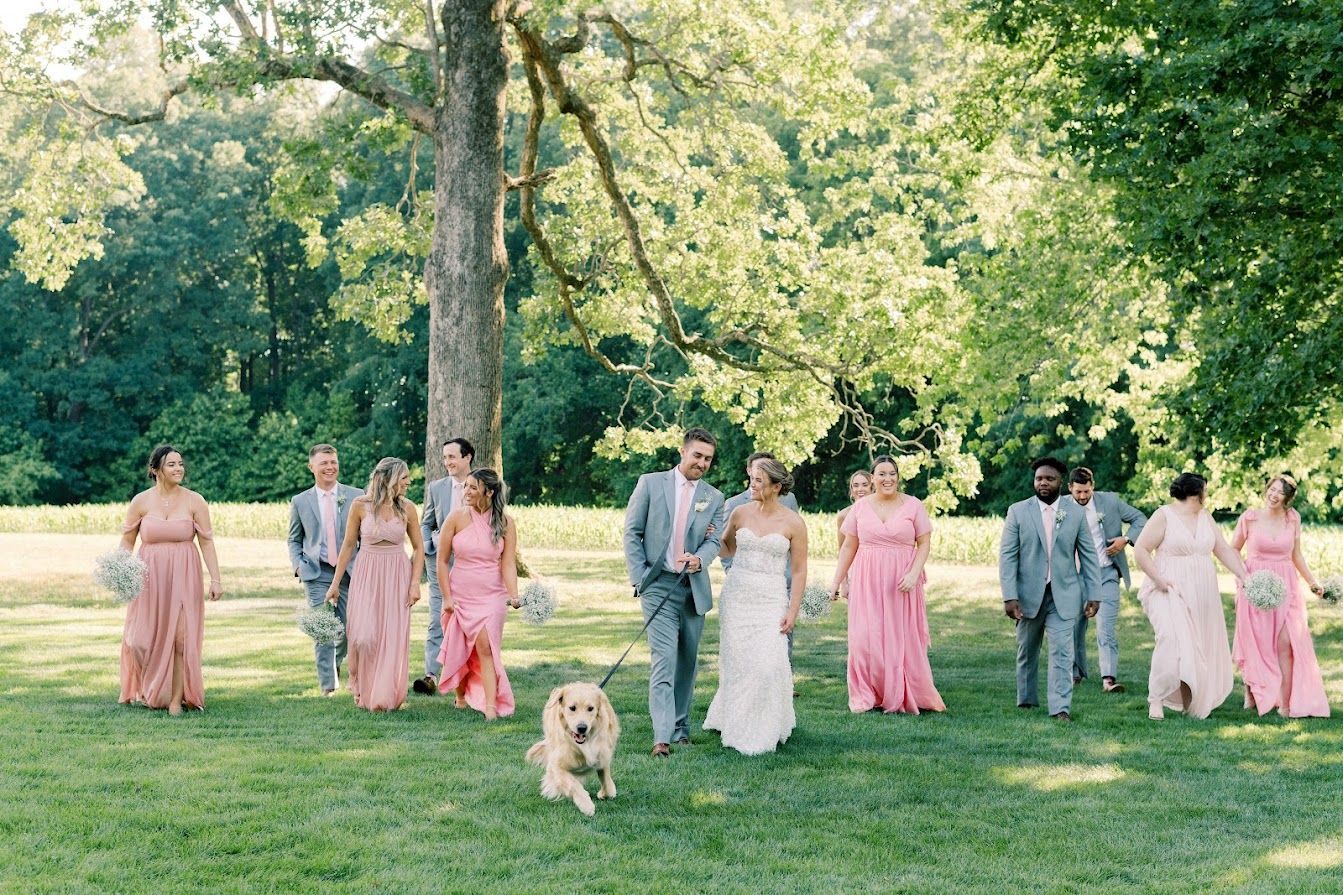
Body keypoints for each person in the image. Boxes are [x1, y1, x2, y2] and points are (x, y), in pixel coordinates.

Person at [623, 427, 726, 757]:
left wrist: (700, 559)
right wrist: (641, 578)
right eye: (697, 455)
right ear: (682, 452)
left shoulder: (714, 497)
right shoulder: (651, 483)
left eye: (708, 459)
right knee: (664, 658)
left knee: (687, 661)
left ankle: (681, 728)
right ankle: (662, 737)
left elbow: (714, 541)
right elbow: (632, 533)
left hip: (693, 589)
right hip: (658, 585)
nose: (702, 463)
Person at [704, 459, 807, 754]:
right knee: (738, 664)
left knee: (767, 665)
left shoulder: (793, 522)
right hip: (737, 596)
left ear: (777, 487)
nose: (752, 484)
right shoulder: (739, 512)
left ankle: (768, 724)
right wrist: (710, 535)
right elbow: (726, 548)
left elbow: (799, 570)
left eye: (759, 480)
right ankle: (736, 721)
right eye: (752, 478)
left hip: (771, 599)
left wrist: (792, 610)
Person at [830, 455, 945, 715]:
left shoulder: (913, 505)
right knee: (864, 638)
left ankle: (905, 691)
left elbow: (924, 543)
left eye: (891, 473)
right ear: (873, 479)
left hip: (902, 580)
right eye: (881, 474)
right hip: (867, 579)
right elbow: (848, 546)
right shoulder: (860, 508)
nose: (887, 478)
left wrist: (914, 574)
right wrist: (836, 582)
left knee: (900, 638)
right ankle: (867, 692)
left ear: (898, 476)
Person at [118, 444, 222, 715]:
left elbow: (207, 542)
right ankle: (148, 687)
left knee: (180, 639)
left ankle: (176, 698)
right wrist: (119, 571)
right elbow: (127, 540)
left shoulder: (195, 501)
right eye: (171, 464)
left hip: (184, 575)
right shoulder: (140, 501)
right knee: (138, 639)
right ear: (156, 470)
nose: (179, 469)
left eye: (180, 463)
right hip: (148, 577)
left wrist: (216, 579)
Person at [1133, 472, 1246, 720]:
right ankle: (1157, 699)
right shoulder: (1164, 515)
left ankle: (1189, 703)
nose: (1207, 495)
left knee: (1194, 646)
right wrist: (1159, 579)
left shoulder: (1205, 517)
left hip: (1202, 590)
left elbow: (1223, 550)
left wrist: (1244, 576)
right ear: (1197, 492)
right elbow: (1141, 550)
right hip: (1168, 587)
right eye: (1206, 490)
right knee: (1171, 639)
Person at [999, 457, 1101, 722]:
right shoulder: (1018, 511)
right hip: (1027, 594)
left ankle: (1060, 708)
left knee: (1063, 652)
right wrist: (1009, 596)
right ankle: (1027, 699)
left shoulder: (1075, 513)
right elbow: (1008, 557)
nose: (1043, 482)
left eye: (1049, 478)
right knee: (1027, 649)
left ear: (1061, 484)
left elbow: (1089, 556)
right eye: (1039, 478)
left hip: (1064, 595)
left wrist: (1094, 594)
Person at [326, 458, 424, 712]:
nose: (408, 482)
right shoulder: (360, 506)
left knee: (391, 636)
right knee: (363, 636)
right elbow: (348, 545)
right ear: (388, 479)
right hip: (367, 573)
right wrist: (335, 584)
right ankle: (363, 689)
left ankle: (383, 697)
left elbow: (419, 548)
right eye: (404, 478)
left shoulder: (408, 508)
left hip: (397, 574)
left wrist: (415, 583)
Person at [1231, 475, 1330, 718]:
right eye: (1271, 490)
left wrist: (1311, 582)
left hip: (1287, 585)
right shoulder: (1250, 517)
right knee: (1257, 641)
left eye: (1280, 492)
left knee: (1286, 643)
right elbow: (1233, 549)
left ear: (1287, 498)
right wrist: (1245, 579)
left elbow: (1297, 555)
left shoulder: (1293, 518)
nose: (1274, 495)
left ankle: (1285, 704)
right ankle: (1252, 690)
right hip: (1255, 584)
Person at [435, 468, 520, 720]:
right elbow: (441, 561)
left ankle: (491, 706)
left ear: (489, 492)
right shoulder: (455, 518)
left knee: (486, 647)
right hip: (460, 593)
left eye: (473, 487)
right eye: (466, 487)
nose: (467, 492)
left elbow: (508, 563)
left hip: (492, 595)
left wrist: (514, 594)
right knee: (459, 646)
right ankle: (461, 696)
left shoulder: (505, 522)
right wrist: (447, 597)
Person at [288, 443, 364, 695]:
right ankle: (328, 687)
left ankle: (337, 663)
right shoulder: (300, 501)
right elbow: (294, 538)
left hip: (352, 571)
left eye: (333, 462)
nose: (330, 467)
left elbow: (365, 535)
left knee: (349, 627)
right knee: (323, 628)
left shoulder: (356, 495)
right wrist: (298, 565)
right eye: (324, 463)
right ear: (312, 467)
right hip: (317, 572)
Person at [1067, 467, 1147, 693]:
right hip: (1074, 577)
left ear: (1093, 486)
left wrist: (1126, 539)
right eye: (1078, 492)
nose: (1083, 496)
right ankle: (1075, 673)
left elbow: (1140, 519)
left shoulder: (1110, 501)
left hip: (1106, 574)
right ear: (1070, 488)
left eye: (1087, 491)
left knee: (1106, 628)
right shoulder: (1060, 507)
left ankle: (1108, 679)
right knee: (1073, 627)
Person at [414, 437, 474, 695]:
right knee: (437, 616)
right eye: (445, 457)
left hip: (472, 565)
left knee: (470, 618)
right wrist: (429, 545)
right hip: (440, 562)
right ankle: (430, 675)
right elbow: (426, 522)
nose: (447, 462)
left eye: (452, 457)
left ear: (467, 457)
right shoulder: (436, 487)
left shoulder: (482, 484)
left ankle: (469, 673)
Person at [834, 470, 873, 598]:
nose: (860, 489)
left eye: (864, 484)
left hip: (877, 568)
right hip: (855, 572)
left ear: (872, 487)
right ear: (851, 490)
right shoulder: (844, 515)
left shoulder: (881, 512)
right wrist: (843, 583)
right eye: (855, 485)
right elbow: (842, 550)